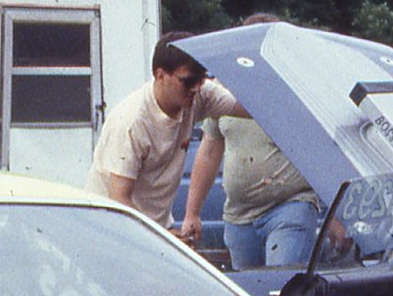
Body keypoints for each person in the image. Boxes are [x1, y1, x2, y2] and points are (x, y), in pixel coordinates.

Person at [179, 14, 323, 267]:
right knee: (250, 294)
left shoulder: (293, 90)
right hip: (238, 217)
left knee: (281, 288)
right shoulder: (223, 90)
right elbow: (209, 151)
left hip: (290, 205)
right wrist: (192, 213)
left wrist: (333, 218)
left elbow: (318, 152)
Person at [87, 32, 246, 227]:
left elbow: (251, 107)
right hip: (112, 227)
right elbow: (119, 199)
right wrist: (164, 238)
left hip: (155, 225)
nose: (196, 88)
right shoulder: (131, 121)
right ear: (160, 75)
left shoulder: (199, 95)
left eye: (201, 79)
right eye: (188, 81)